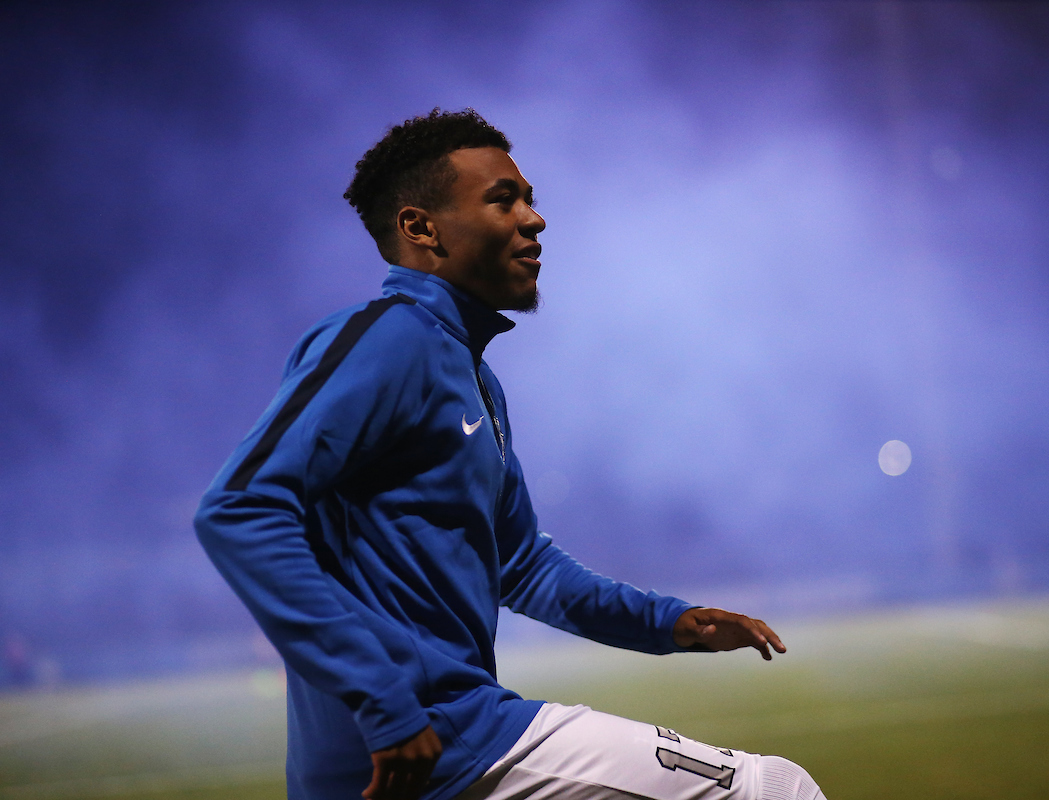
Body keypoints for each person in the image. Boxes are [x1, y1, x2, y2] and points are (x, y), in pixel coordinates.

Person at [194, 108, 826, 800]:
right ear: (421, 227)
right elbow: (239, 509)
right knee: (774, 790)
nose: (535, 219)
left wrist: (670, 623)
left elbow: (520, 564)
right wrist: (382, 698)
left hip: (420, 752)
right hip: (436, 740)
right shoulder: (388, 340)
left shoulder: (471, 375)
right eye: (504, 200)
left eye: (530, 199)